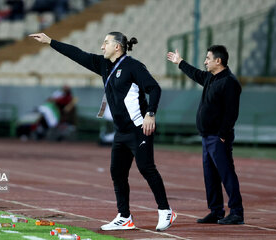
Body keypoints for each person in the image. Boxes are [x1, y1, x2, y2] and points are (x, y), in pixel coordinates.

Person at [30, 31, 177, 231]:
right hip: (121, 131)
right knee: (117, 172)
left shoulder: (133, 66)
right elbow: (77, 54)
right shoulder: (103, 65)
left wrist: (151, 114)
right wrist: (50, 42)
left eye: (105, 43)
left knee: (146, 168)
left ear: (117, 46)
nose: (102, 46)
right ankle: (124, 217)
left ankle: (165, 211)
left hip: (139, 128)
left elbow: (155, 88)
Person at [167, 45, 244, 225]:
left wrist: (223, 135)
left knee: (226, 174)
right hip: (207, 137)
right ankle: (216, 211)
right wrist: (180, 62)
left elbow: (231, 112)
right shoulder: (211, 77)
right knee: (210, 176)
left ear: (218, 61)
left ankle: (237, 212)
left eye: (208, 58)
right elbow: (196, 74)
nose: (205, 61)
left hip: (218, 138)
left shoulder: (230, 82)